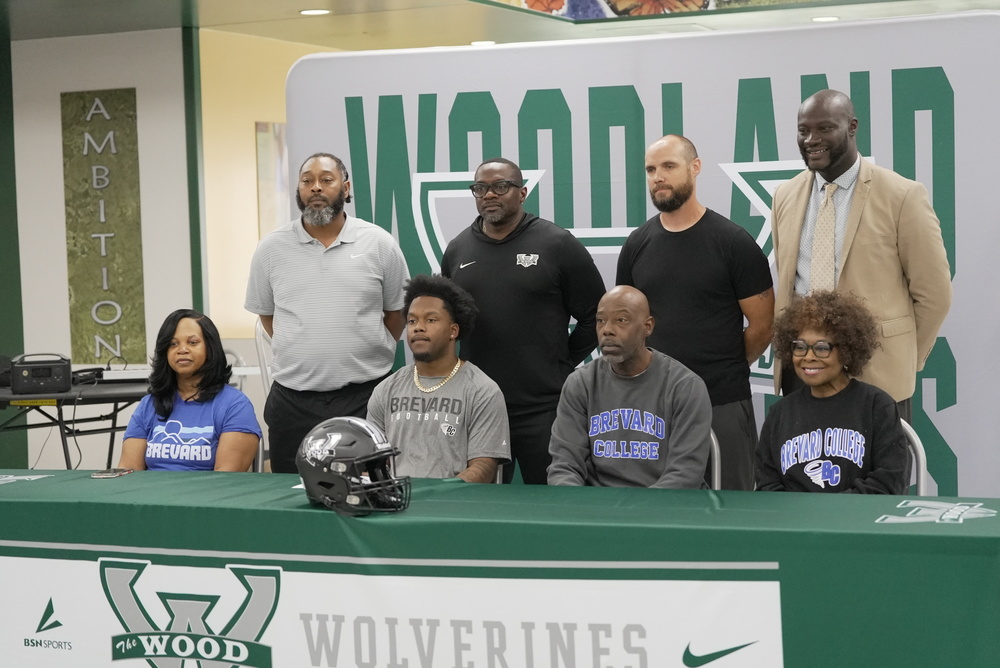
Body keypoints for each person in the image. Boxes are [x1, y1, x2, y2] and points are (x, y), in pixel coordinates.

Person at [771, 89, 952, 422]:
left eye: (825, 128)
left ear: (852, 127)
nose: (812, 139)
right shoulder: (785, 196)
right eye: (803, 130)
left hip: (877, 377)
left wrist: (901, 358)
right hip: (803, 379)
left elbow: (934, 295)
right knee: (804, 474)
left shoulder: (902, 196)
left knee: (881, 475)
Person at [616, 135, 774, 491]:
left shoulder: (734, 243)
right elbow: (628, 325)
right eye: (651, 169)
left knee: (731, 511)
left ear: (695, 167)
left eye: (669, 166)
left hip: (722, 402)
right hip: (651, 406)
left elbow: (763, 326)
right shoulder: (637, 245)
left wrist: (723, 367)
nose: (658, 176)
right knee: (656, 515)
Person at [441, 157, 605, 484]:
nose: (489, 194)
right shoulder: (458, 250)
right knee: (479, 510)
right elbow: (449, 326)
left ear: (522, 193)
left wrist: (559, 362)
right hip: (478, 407)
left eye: (501, 186)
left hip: (544, 409)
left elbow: (596, 316)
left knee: (552, 506)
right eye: (480, 188)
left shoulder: (557, 244)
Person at [245, 152, 408, 473]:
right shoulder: (270, 249)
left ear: (346, 188)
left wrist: (367, 349)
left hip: (366, 397)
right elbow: (268, 316)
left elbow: (397, 313)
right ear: (298, 190)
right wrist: (304, 347)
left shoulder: (379, 244)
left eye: (326, 180)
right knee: (291, 497)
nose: (315, 187)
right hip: (293, 401)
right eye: (307, 181)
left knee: (369, 490)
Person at [547, 286, 712, 488]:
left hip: (664, 510)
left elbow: (685, 474)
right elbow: (565, 467)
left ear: (648, 326)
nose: (607, 329)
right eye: (600, 320)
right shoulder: (580, 383)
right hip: (598, 509)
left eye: (621, 320)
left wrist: (634, 515)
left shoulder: (684, 386)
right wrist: (582, 509)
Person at [754, 291, 909, 494]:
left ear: (846, 351)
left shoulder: (876, 405)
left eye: (821, 348)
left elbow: (888, 482)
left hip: (856, 522)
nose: (808, 357)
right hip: (794, 522)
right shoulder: (780, 413)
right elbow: (767, 486)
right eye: (799, 347)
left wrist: (832, 511)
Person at [366, 274, 510, 483]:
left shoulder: (483, 391)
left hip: (453, 506)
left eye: (430, 320)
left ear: (453, 330)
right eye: (412, 320)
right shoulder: (386, 389)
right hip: (396, 504)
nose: (418, 327)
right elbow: (371, 461)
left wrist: (437, 495)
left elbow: (484, 467)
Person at [119, 309, 261, 471]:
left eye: (192, 342)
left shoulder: (235, 405)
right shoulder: (148, 404)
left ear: (210, 348)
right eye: (173, 344)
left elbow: (226, 480)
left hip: (208, 495)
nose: (182, 350)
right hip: (151, 495)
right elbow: (128, 472)